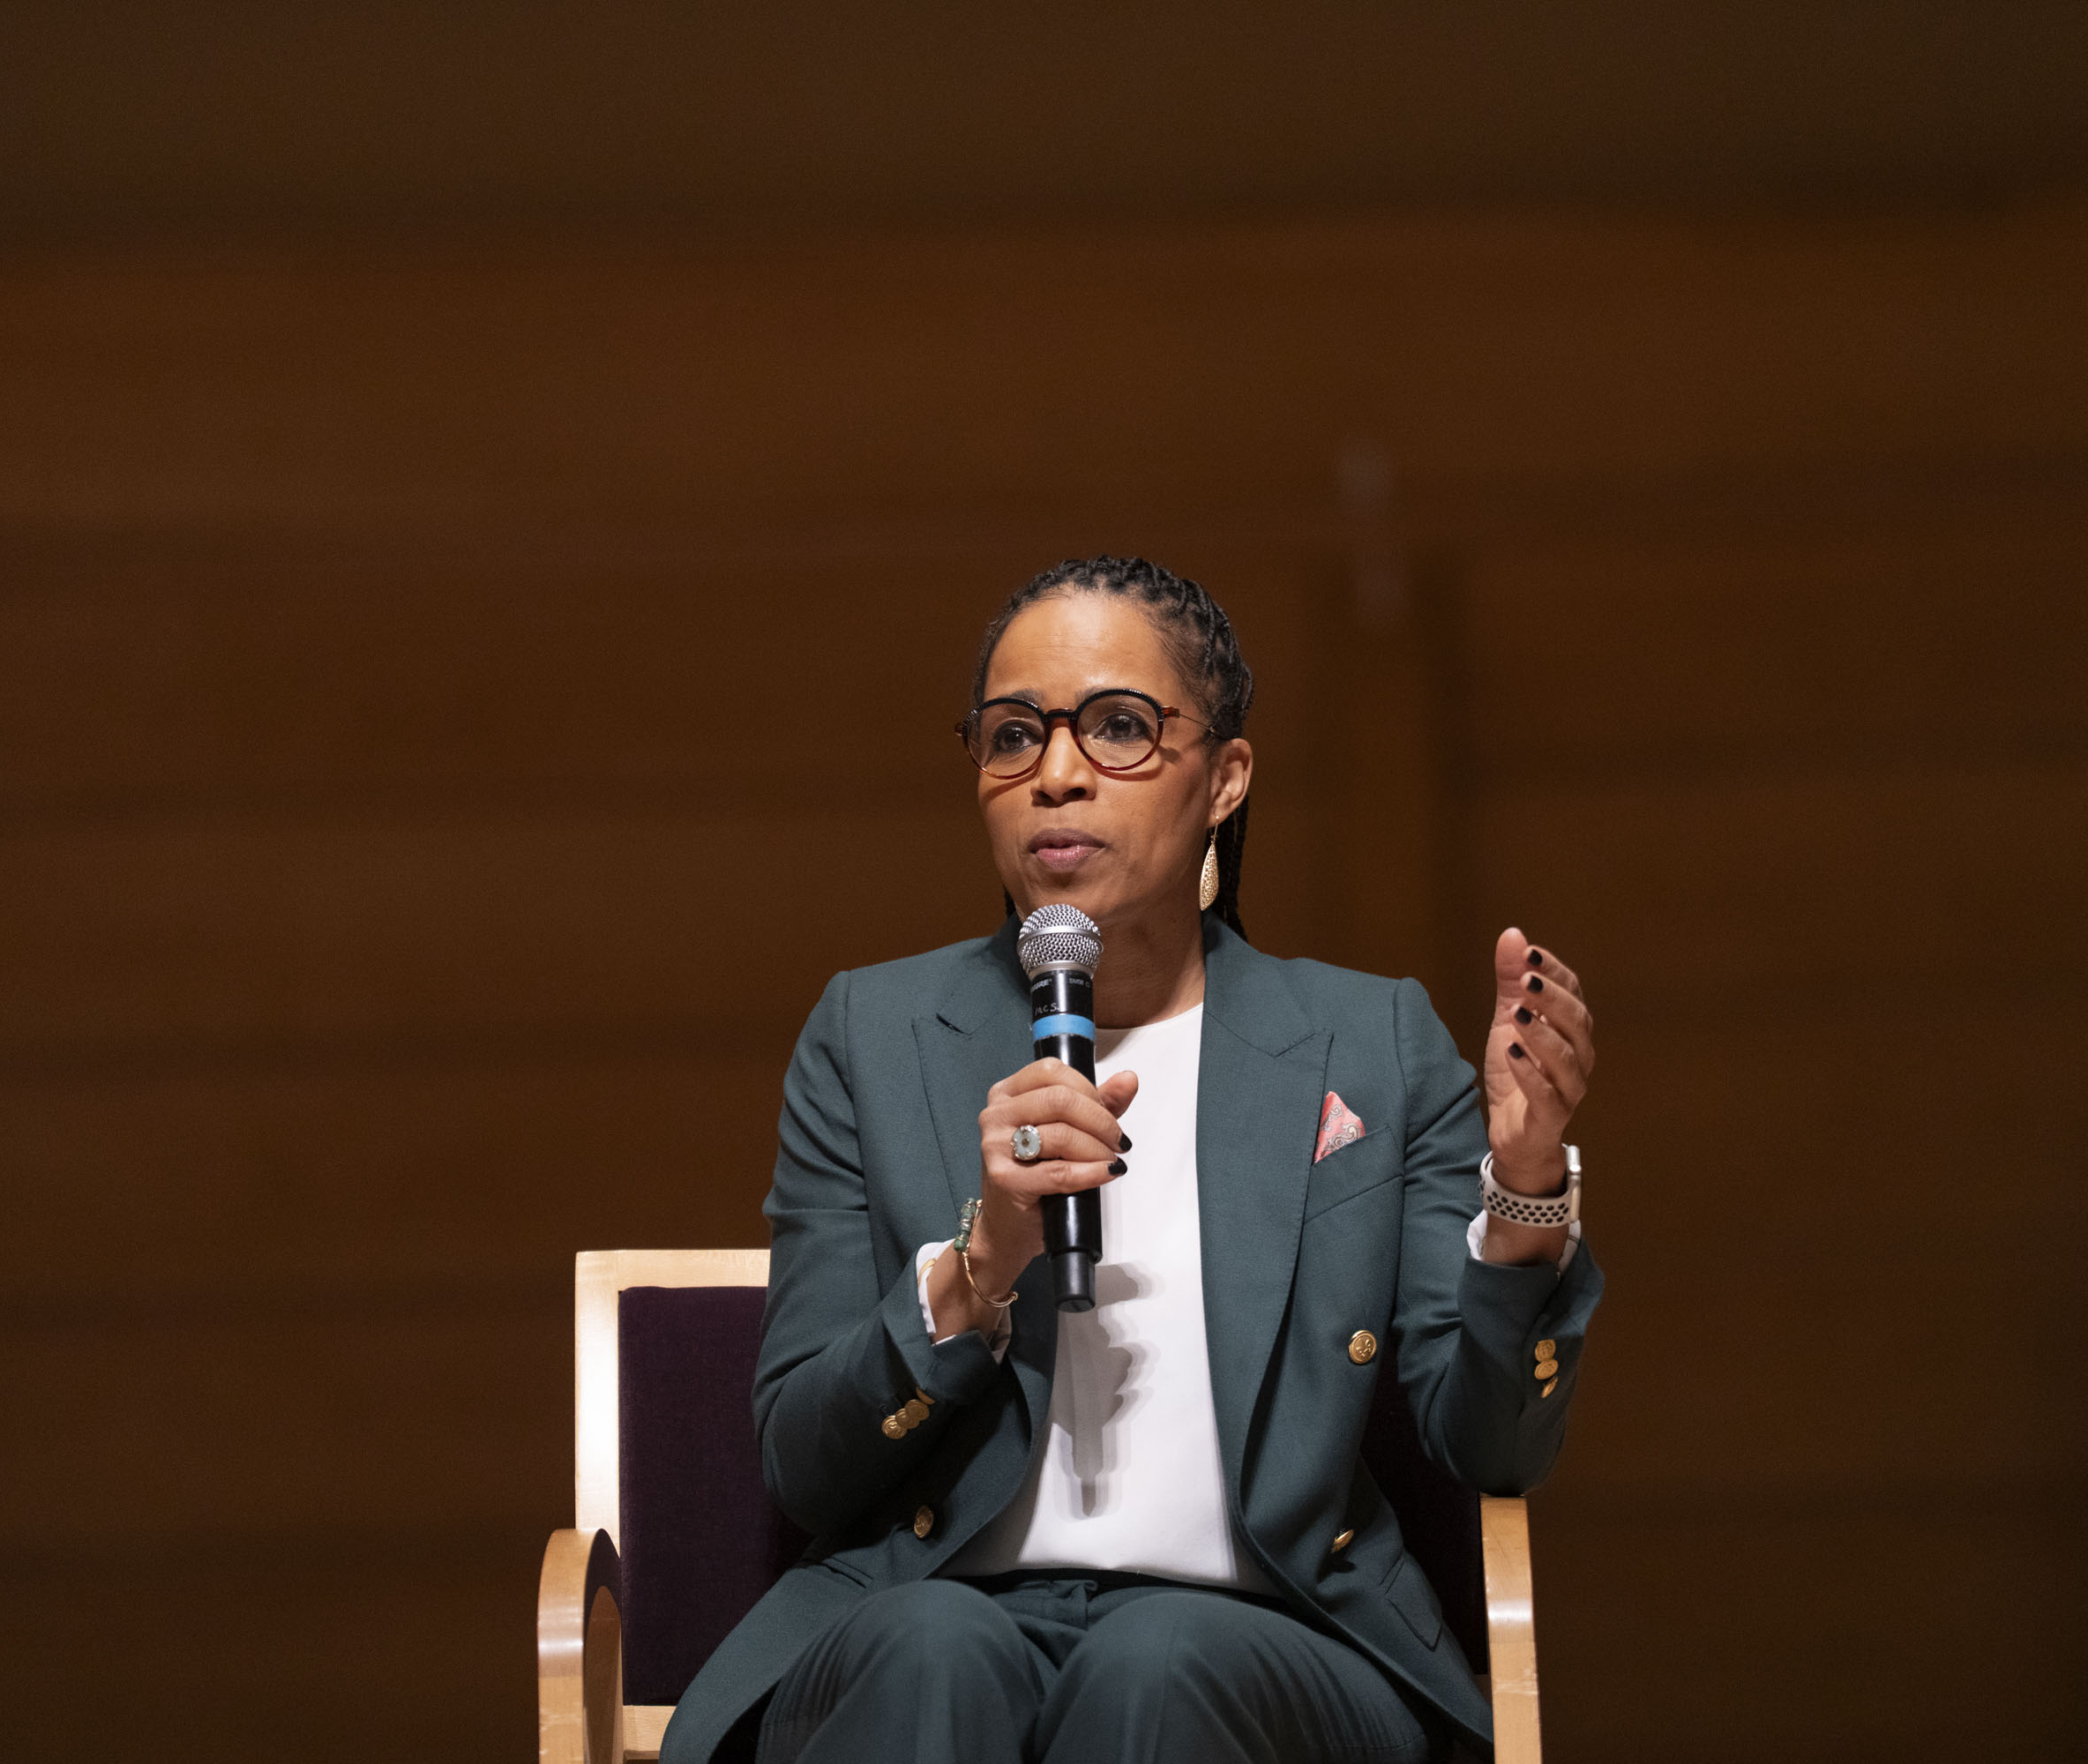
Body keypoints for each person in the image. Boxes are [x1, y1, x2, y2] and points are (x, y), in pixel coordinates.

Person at [662, 557, 1603, 1764]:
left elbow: (1492, 1447)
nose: (1056, 774)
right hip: (930, 1623)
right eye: (1013, 737)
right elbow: (804, 1462)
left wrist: (1523, 1196)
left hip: (1270, 1644)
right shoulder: (872, 1035)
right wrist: (978, 1265)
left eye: (1118, 728)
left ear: (1226, 779)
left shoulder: (1368, 1042)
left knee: (1159, 1660)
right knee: (934, 1652)